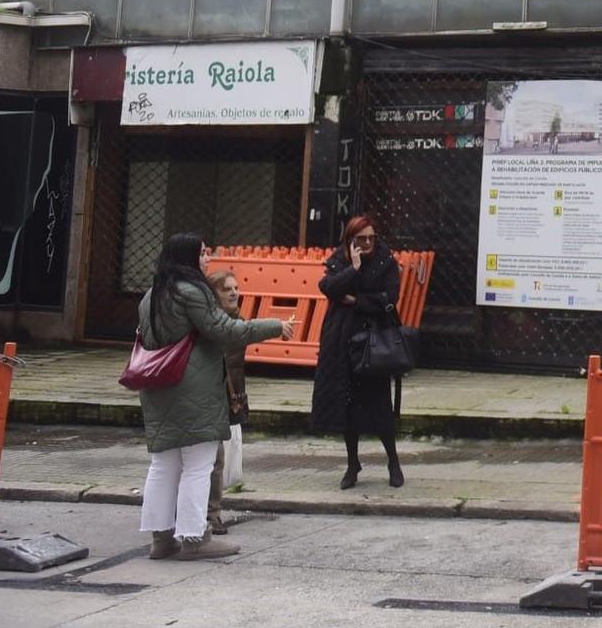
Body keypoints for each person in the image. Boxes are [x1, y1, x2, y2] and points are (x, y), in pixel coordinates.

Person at [136, 234, 290, 560]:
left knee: (163, 464)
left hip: (158, 388)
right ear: (188, 258)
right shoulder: (193, 293)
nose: (207, 259)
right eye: (203, 254)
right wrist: (273, 326)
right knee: (198, 465)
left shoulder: (151, 296)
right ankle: (195, 538)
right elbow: (225, 330)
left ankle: (161, 539)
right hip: (193, 390)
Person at [313, 214, 406, 490]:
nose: (366, 243)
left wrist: (357, 300)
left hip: (374, 339)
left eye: (370, 238)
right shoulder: (340, 259)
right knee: (347, 404)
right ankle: (352, 464)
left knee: (379, 403)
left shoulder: (385, 261)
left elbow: (390, 296)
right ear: (350, 240)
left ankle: (393, 461)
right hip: (342, 340)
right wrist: (352, 269)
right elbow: (328, 288)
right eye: (360, 239)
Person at [204, 268, 253, 537]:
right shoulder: (212, 324)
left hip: (230, 394)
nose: (234, 292)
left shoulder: (237, 320)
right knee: (213, 460)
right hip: (211, 397)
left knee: (218, 460)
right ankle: (210, 515)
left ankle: (212, 513)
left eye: (236, 288)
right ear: (214, 294)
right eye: (227, 289)